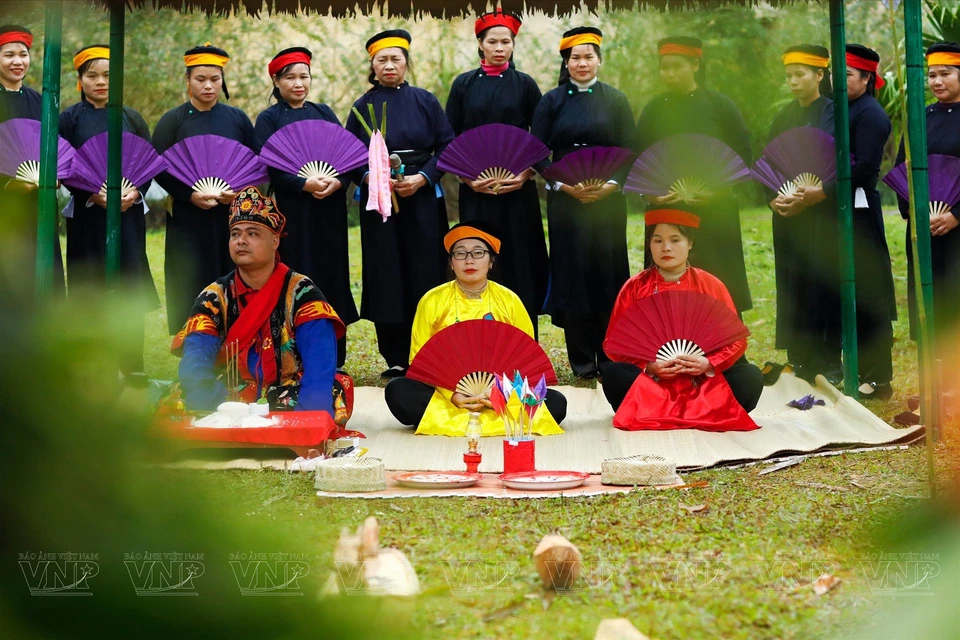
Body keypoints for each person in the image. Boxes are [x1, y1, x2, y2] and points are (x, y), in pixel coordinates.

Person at [171, 186, 346, 415]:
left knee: (332, 393)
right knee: (177, 400)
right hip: (227, 397)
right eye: (235, 234)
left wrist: (309, 417)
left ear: (275, 241)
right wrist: (215, 404)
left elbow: (320, 364)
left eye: (252, 233)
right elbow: (195, 364)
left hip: (287, 394)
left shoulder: (302, 293)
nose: (241, 241)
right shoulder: (214, 297)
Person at [384, 222, 566, 435]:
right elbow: (419, 361)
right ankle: (490, 420)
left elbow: (524, 359)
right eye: (460, 254)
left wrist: (497, 393)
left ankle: (458, 421)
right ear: (451, 263)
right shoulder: (432, 300)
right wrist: (453, 394)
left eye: (478, 253)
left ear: (491, 262)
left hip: (500, 397)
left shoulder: (509, 301)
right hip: (448, 397)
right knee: (398, 390)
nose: (469, 260)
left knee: (556, 402)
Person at [345, 29, 455, 378]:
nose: (389, 65)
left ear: (407, 63)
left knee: (426, 268)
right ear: (372, 66)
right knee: (386, 271)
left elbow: (447, 147)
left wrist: (422, 178)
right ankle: (394, 354)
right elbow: (347, 156)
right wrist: (374, 180)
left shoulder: (426, 100)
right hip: (380, 204)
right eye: (382, 60)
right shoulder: (362, 107)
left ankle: (430, 348)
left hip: (421, 196)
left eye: (396, 58)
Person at [530, 26, 639, 379]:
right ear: (566, 62)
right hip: (567, 202)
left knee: (607, 272)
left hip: (607, 202)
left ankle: (610, 355)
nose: (582, 63)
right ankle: (580, 360)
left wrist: (611, 184)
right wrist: (563, 185)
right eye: (575, 57)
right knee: (571, 273)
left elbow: (631, 147)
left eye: (588, 56)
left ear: (599, 60)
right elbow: (537, 152)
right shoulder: (551, 101)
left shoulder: (616, 100)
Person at [600, 209, 763, 431]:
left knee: (750, 376)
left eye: (675, 240)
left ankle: (661, 415)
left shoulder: (711, 285)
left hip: (704, 383)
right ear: (650, 245)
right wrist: (650, 367)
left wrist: (708, 364)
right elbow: (614, 345)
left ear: (690, 243)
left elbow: (736, 341)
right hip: (654, 385)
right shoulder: (635, 287)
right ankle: (694, 414)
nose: (666, 247)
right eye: (658, 240)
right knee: (613, 375)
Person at [254, 47, 359, 369]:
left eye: (304, 76)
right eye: (291, 77)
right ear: (276, 80)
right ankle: (293, 352)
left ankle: (334, 354)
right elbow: (268, 165)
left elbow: (347, 155)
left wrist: (338, 181)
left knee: (331, 273)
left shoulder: (324, 112)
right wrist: (302, 184)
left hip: (329, 208)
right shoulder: (269, 118)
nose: (299, 83)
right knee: (297, 273)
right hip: (294, 211)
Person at [445, 9, 547, 336]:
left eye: (506, 41)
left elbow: (541, 137)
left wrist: (526, 174)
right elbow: (450, 138)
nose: (500, 47)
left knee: (521, 258)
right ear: (480, 44)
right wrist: (466, 178)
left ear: (513, 46)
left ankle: (524, 334)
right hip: (475, 191)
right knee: (479, 253)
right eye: (493, 41)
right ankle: (479, 334)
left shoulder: (526, 85)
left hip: (518, 191)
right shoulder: (463, 85)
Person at [59, 44, 159, 376]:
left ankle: (134, 369)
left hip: (128, 218)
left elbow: (147, 161)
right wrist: (92, 194)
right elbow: (63, 165)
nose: (101, 82)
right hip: (89, 218)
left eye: (108, 76)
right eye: (93, 76)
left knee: (128, 289)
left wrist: (134, 192)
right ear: (80, 80)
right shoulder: (68, 120)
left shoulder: (131, 117)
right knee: (92, 290)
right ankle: (94, 371)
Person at [635, 36, 753, 314]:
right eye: (664, 67)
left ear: (695, 65)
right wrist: (652, 193)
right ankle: (668, 342)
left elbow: (743, 156)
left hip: (715, 211)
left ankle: (726, 347)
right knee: (667, 280)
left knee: (718, 279)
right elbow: (639, 160)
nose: (670, 74)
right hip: (667, 210)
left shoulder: (721, 107)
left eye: (677, 66)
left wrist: (716, 190)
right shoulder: (653, 110)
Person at [153, 43, 259, 335]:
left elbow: (254, 164)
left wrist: (237, 192)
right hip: (188, 218)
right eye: (201, 79)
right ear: (187, 81)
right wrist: (189, 194)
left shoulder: (237, 119)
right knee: (188, 279)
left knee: (233, 278)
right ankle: (193, 346)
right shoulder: (173, 121)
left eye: (215, 79)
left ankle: (236, 343)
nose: (209, 85)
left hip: (231, 220)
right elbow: (157, 166)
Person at [765, 44, 840, 385]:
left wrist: (810, 198)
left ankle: (828, 358)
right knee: (792, 281)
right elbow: (768, 163)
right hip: (787, 215)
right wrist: (774, 199)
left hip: (821, 214)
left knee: (822, 282)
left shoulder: (834, 113)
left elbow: (841, 163)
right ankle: (797, 356)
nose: (793, 82)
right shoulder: (782, 117)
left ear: (820, 75)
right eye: (789, 76)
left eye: (800, 75)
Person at [896, 42, 960, 390]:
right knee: (928, 299)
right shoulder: (921, 118)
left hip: (957, 232)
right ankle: (934, 384)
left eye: (945, 73)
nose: (936, 81)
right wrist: (916, 212)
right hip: (923, 230)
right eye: (932, 75)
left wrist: (956, 216)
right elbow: (901, 170)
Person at [842, 44, 897, 399]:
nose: (837, 80)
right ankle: (849, 368)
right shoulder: (839, 109)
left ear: (867, 78)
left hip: (860, 213)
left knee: (869, 293)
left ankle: (878, 377)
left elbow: (863, 168)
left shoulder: (871, 115)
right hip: (837, 210)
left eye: (846, 74)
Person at [0, 25, 64, 295]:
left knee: (42, 279)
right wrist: (10, 185)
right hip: (5, 205)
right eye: (8, 55)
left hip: (40, 204)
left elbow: (54, 149)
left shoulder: (43, 102)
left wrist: (55, 175)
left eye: (23, 54)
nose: (18, 61)